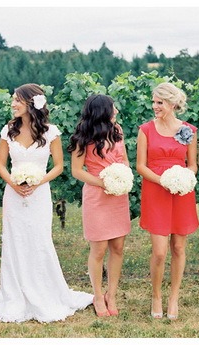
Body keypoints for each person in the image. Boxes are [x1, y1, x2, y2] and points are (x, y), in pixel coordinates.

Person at [0, 83, 92, 323]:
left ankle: (44, 292)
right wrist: (13, 184)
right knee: (14, 241)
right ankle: (15, 294)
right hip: (14, 195)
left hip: (40, 194)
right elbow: (1, 164)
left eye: (17, 100)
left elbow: (58, 166)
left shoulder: (50, 132)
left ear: (30, 103)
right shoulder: (8, 130)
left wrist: (37, 182)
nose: (12, 104)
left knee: (39, 240)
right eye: (13, 100)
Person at [136, 82, 198, 320]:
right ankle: (156, 296)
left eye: (159, 102)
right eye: (153, 102)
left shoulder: (188, 131)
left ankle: (173, 297)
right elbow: (141, 166)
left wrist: (183, 178)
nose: (155, 106)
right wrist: (164, 181)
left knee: (179, 247)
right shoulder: (146, 130)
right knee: (160, 252)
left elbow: (192, 165)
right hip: (156, 190)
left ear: (172, 103)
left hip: (181, 192)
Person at [68, 94, 131, 317]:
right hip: (96, 195)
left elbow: (124, 159)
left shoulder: (118, 131)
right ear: (103, 112)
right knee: (99, 248)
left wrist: (123, 176)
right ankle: (97, 295)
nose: (117, 112)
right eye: (113, 109)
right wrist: (104, 182)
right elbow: (77, 171)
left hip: (118, 195)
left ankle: (111, 294)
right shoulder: (82, 137)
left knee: (118, 247)